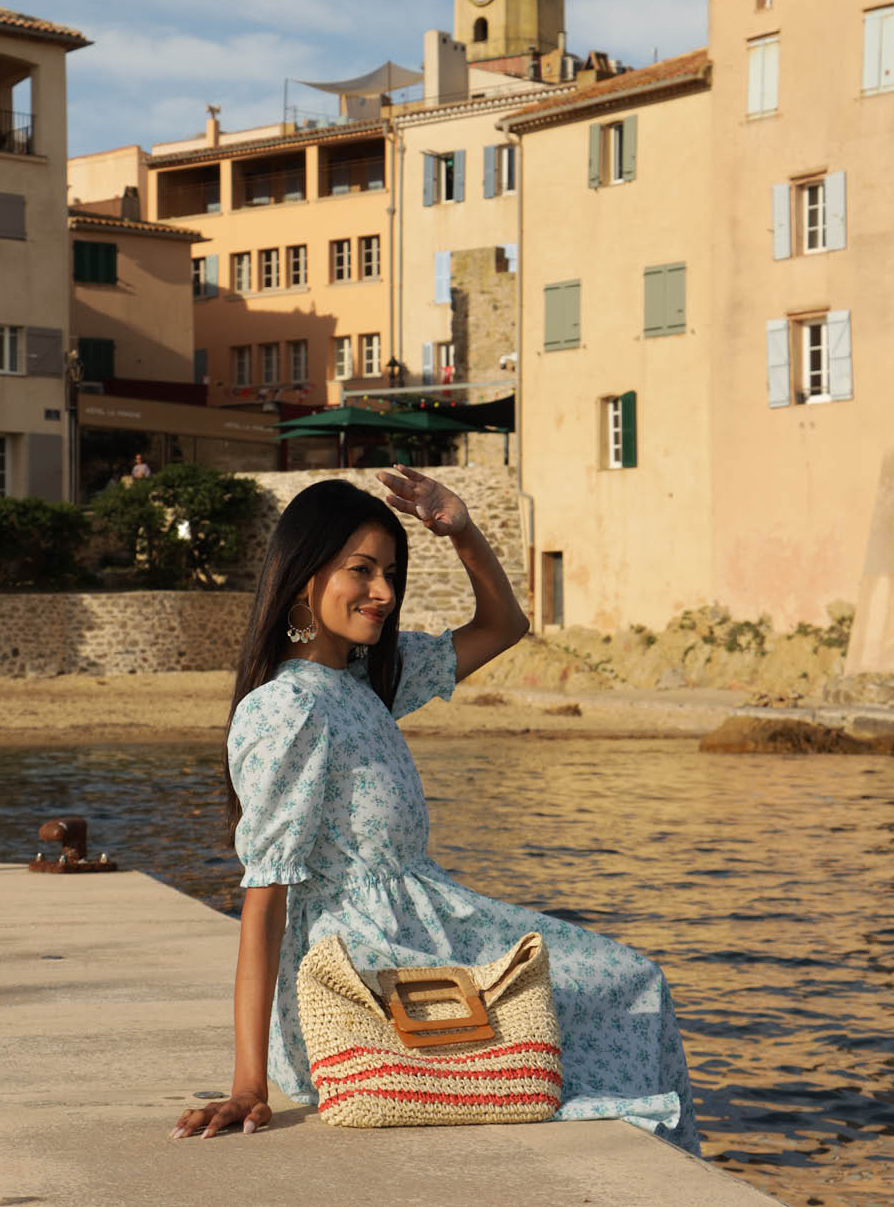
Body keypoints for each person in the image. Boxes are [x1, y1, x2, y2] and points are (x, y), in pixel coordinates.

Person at [169, 468, 699, 1152]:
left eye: (391, 572)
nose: (384, 592)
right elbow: (265, 895)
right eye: (361, 570)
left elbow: (504, 625)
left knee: (634, 982)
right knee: (623, 990)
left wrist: (463, 531)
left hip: (429, 925)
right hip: (372, 958)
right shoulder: (288, 708)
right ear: (304, 574)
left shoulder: (366, 680)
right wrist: (249, 1084)